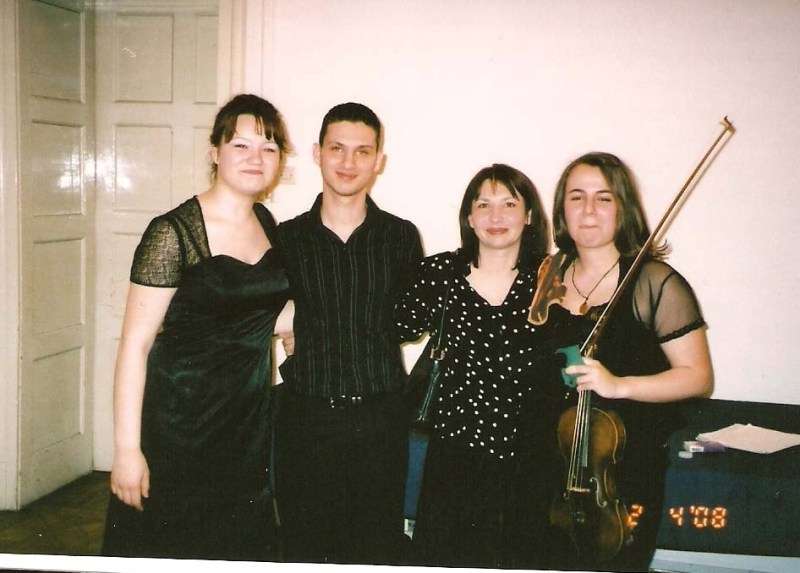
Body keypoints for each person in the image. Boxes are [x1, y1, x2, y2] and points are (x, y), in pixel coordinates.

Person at [102, 94, 294, 560]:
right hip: (180, 424)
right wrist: (126, 450)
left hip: (244, 424)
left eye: (268, 148)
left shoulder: (266, 222)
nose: (255, 158)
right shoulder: (172, 233)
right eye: (241, 145)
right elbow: (134, 346)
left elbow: (254, 313)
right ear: (215, 152)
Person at [535, 151, 714, 572]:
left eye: (604, 198)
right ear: (562, 209)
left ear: (624, 208)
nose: (589, 210)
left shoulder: (654, 282)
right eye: (576, 197)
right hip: (549, 466)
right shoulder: (550, 273)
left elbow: (698, 377)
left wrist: (619, 385)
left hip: (619, 477)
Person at [273, 102, 423, 565]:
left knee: (375, 549)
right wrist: (291, 321)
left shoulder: (401, 237)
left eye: (362, 151)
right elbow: (256, 311)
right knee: (304, 547)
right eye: (337, 148)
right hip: (306, 417)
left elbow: (409, 321)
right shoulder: (285, 239)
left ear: (379, 161)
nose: (348, 162)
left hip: (380, 419)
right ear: (317, 153)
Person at [394, 164, 553, 569]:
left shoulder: (551, 277)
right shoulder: (441, 273)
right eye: (484, 205)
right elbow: (387, 327)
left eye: (509, 204)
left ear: (529, 215)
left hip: (528, 455)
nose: (496, 216)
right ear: (469, 216)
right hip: (454, 457)